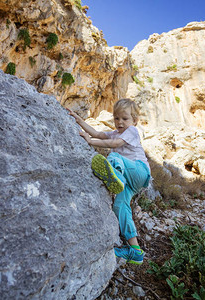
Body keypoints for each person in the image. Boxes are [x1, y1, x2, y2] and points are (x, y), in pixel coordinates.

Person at [68, 98, 151, 265]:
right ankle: (135, 251)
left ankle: (116, 176)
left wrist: (90, 142)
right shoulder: (115, 132)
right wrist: (78, 120)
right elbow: (97, 133)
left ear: (134, 120)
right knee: (120, 207)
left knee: (113, 156)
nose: (119, 122)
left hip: (139, 170)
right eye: (116, 118)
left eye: (125, 118)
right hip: (131, 181)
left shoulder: (132, 131)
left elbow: (113, 143)